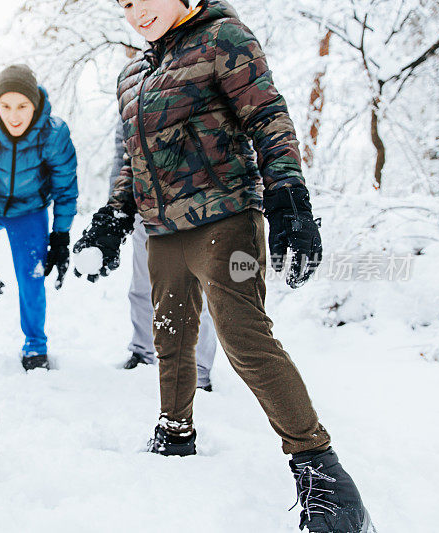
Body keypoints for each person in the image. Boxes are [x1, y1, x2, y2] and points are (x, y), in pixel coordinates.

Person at [73, 1, 373, 531]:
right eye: (124, 4)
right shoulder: (131, 76)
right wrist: (112, 217)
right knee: (170, 334)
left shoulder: (223, 37)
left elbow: (267, 115)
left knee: (243, 334)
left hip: (227, 219)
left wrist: (288, 197)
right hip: (164, 233)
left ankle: (326, 479)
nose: (136, 11)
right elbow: (133, 159)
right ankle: (175, 430)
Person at [0, 64, 77, 371]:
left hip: (29, 211)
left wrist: (60, 237)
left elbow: (66, 189)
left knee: (32, 276)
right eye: (5, 106)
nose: (14, 115)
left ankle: (35, 345)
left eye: (22, 105)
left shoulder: (54, 133)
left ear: (34, 104)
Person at [109, 118, 217, 386]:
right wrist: (115, 205)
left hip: (199, 207)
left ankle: (199, 370)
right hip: (145, 206)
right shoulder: (132, 89)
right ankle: (142, 351)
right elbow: (121, 154)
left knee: (199, 290)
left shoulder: (203, 81)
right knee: (142, 286)